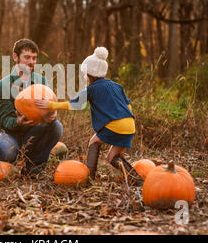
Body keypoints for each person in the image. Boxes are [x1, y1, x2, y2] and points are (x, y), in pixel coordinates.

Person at [34, 46, 142, 185]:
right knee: (113, 157)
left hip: (115, 125)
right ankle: (137, 180)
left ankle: (89, 178)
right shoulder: (116, 86)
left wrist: (51, 105)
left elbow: (75, 104)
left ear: (89, 74)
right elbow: (128, 105)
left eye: (85, 74)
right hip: (129, 125)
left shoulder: (91, 89)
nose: (84, 77)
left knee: (94, 142)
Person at [0, 39, 63, 176]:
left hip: (29, 133)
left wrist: (51, 114)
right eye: (27, 57)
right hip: (5, 132)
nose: (31, 62)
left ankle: (33, 169)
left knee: (56, 126)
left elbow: (47, 107)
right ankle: (8, 164)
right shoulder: (2, 86)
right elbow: (5, 121)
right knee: (8, 150)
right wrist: (18, 122)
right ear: (15, 57)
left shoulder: (41, 82)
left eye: (34, 58)